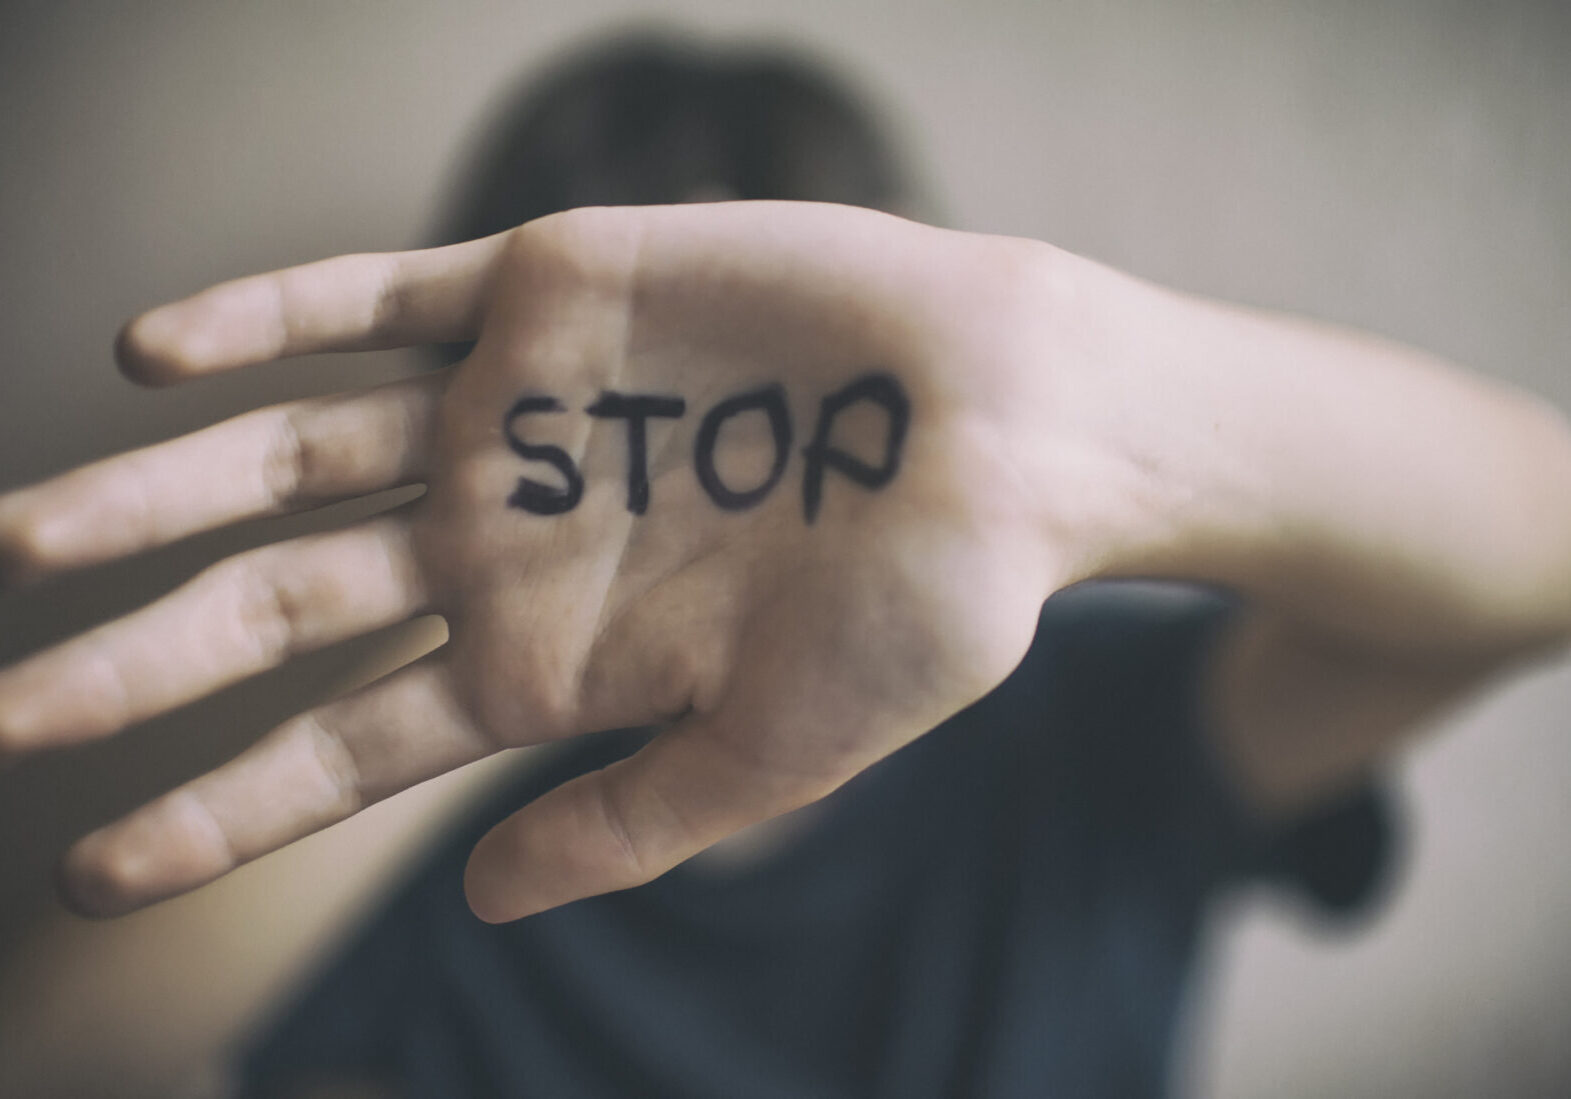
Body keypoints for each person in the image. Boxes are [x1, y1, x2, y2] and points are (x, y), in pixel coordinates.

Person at [1, 34, 1568, 1099]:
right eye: (624, 411)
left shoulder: (1099, 727)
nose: (702, 499)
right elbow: (67, 1061)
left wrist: (1086, 403)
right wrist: (446, 608)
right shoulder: (447, 865)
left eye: (761, 390)